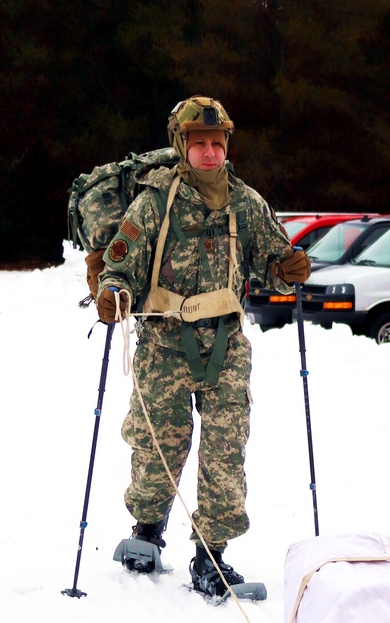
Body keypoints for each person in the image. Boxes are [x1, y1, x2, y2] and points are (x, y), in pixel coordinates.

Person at [94, 96, 310, 596]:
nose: (210, 152)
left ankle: (211, 556)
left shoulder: (247, 203)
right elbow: (119, 268)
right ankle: (146, 532)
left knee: (225, 448)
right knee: (158, 443)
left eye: (217, 143)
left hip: (227, 345)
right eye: (200, 144)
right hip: (165, 343)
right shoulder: (153, 203)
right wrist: (115, 294)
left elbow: (273, 263)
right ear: (182, 146)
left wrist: (287, 270)